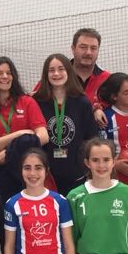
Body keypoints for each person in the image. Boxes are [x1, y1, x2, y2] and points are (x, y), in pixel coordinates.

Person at [0, 56, 48, 200]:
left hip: (27, 168)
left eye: (8, 73)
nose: (5, 76)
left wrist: (9, 152)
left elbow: (43, 137)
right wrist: (20, 134)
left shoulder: (27, 102)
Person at [31, 54, 96, 195]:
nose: (56, 74)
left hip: (75, 173)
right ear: (46, 74)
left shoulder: (82, 102)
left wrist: (84, 164)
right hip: (45, 173)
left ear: (69, 71)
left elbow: (91, 137)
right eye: (51, 70)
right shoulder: (36, 101)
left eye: (61, 69)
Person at [95, 72, 128, 195]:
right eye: (126, 92)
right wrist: (115, 165)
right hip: (115, 176)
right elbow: (99, 151)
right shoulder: (106, 117)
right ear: (114, 96)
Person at [69, 28, 110, 104]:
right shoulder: (57, 77)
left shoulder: (108, 79)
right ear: (73, 49)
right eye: (83, 47)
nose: (88, 52)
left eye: (93, 48)